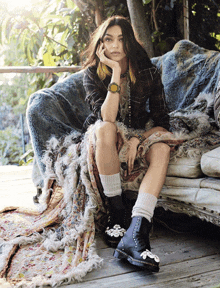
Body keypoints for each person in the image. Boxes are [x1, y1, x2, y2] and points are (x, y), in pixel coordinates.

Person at [81, 15, 171, 272]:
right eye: (108, 39)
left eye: (121, 39)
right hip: (103, 136)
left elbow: (163, 120)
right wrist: (116, 72)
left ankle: (137, 229)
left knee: (162, 148)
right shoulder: (91, 73)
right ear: (101, 44)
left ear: (129, 41)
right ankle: (117, 211)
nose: (115, 46)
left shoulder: (148, 71)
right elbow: (107, 118)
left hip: (140, 134)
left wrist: (138, 139)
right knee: (108, 129)